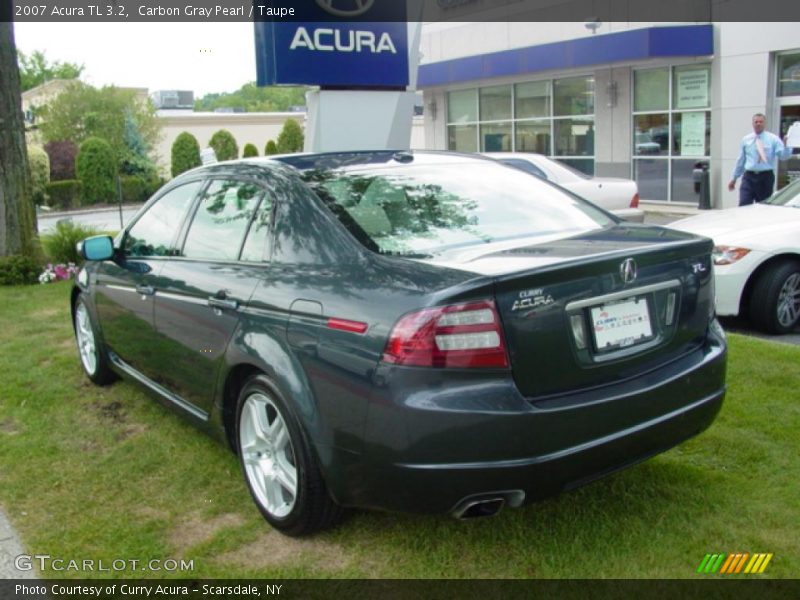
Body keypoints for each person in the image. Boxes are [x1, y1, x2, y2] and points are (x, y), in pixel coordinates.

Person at [728, 113, 791, 206]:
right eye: (756, 122)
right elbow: (741, 160)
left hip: (765, 177)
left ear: (764, 123)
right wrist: (734, 179)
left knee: (763, 207)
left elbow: (783, 156)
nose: (758, 124)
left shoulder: (773, 139)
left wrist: (786, 146)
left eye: (761, 122)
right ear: (752, 124)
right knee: (743, 203)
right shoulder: (746, 139)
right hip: (749, 177)